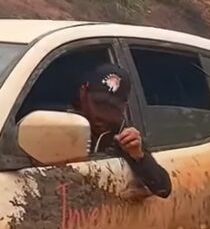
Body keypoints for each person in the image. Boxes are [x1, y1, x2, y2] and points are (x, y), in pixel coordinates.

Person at [73, 64, 171, 198]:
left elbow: (163, 188)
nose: (103, 114)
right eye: (98, 104)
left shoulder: (124, 135)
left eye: (112, 108)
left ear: (124, 107)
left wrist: (138, 155)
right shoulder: (59, 122)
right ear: (83, 92)